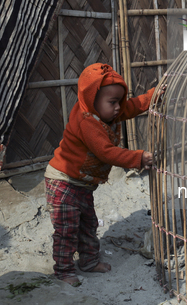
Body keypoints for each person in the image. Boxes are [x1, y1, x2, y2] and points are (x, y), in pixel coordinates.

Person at [44, 63, 160, 286]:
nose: (118, 108)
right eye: (113, 102)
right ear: (91, 99)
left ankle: (88, 262)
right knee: (67, 229)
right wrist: (138, 158)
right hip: (63, 181)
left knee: (88, 224)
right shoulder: (87, 121)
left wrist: (153, 96)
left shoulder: (107, 112)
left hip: (83, 185)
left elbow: (134, 106)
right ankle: (64, 270)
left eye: (119, 101)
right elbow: (106, 152)